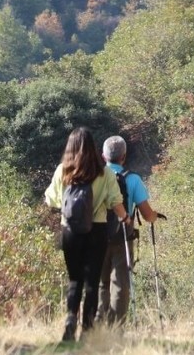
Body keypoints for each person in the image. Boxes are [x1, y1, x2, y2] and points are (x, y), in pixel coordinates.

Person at [44, 127, 131, 342]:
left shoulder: (62, 171)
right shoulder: (105, 173)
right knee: (93, 282)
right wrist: (126, 220)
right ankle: (87, 329)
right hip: (97, 230)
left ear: (70, 147)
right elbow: (116, 203)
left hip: (70, 231)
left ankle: (70, 320)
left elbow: (51, 200)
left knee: (75, 280)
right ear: (93, 147)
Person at [97, 135, 161, 326]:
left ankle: (98, 327)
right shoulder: (132, 179)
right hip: (123, 236)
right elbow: (147, 215)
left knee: (100, 283)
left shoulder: (94, 178)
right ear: (124, 156)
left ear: (103, 156)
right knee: (121, 284)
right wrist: (156, 216)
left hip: (96, 237)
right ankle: (117, 329)